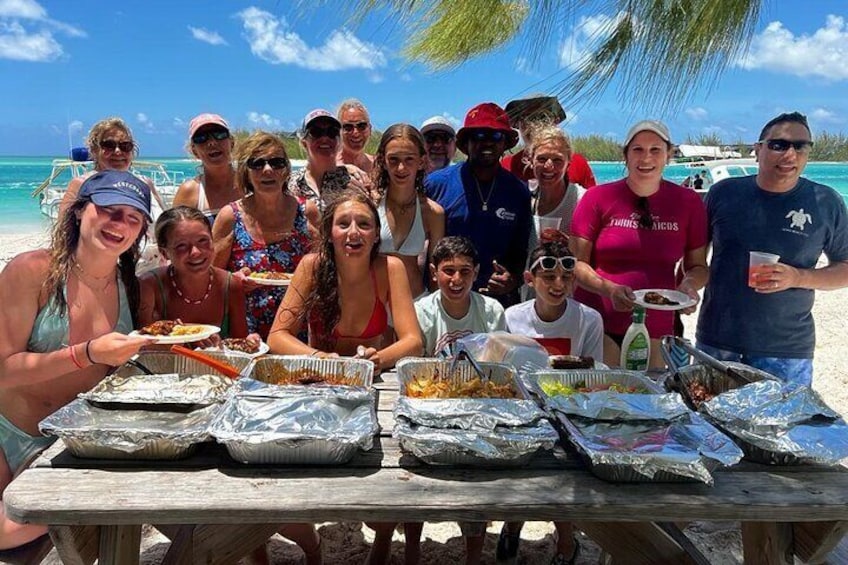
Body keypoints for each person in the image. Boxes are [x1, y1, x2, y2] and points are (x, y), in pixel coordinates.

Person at [0, 170, 153, 549]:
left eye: (133, 218)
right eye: (109, 210)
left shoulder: (129, 283)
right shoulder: (33, 270)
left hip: (67, 447)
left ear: (140, 233)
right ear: (80, 211)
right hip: (7, 433)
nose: (120, 224)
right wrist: (86, 354)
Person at [696, 112, 848, 387]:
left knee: (781, 430)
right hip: (717, 341)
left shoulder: (826, 202)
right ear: (758, 150)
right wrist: (685, 285)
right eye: (778, 144)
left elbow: (845, 269)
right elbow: (695, 258)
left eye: (800, 146)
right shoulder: (723, 194)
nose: (790, 153)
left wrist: (797, 277)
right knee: (706, 426)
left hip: (786, 350)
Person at [570, 120, 709, 368]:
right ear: (626, 155)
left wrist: (687, 287)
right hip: (598, 321)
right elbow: (576, 264)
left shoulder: (688, 202)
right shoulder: (597, 197)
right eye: (638, 149)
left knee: (648, 399)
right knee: (601, 397)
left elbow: (698, 266)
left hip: (657, 324)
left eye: (655, 149)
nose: (646, 157)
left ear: (668, 155)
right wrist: (609, 289)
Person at [499, 237, 602, 565]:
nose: (558, 285)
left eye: (566, 278)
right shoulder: (512, 317)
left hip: (570, 409)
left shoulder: (589, 319)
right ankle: (514, 521)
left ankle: (566, 538)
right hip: (524, 409)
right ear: (530, 280)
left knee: (567, 470)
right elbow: (505, 374)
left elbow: (593, 376)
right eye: (548, 277)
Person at [267, 188, 422, 365]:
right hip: (319, 376)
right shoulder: (311, 267)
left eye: (364, 224)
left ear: (377, 234)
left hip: (371, 376)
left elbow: (413, 342)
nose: (354, 232)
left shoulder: (390, 268)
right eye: (343, 224)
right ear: (329, 234)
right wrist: (320, 358)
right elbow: (277, 337)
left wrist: (376, 360)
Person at [425, 102, 531, 308]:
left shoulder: (518, 192)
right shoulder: (435, 185)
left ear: (504, 144)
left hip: (497, 303)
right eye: (479, 136)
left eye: (496, 136)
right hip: (445, 300)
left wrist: (512, 278)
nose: (487, 143)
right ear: (466, 143)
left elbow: (520, 252)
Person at [212, 131, 314, 340]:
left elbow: (324, 269)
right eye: (257, 163)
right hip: (247, 331)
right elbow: (212, 276)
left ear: (286, 170)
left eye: (276, 162)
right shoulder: (230, 217)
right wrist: (235, 280)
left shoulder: (307, 212)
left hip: (298, 328)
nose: (268, 170)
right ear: (246, 171)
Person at [139, 206, 254, 342]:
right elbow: (143, 345)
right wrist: (189, 346)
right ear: (164, 253)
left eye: (203, 241)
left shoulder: (230, 285)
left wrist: (251, 342)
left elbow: (240, 344)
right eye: (181, 245)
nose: (195, 252)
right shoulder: (150, 286)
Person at [372, 124, 445, 298]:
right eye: (394, 159)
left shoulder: (433, 213)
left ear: (421, 161)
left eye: (409, 159)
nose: (401, 168)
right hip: (373, 305)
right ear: (382, 161)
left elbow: (436, 273)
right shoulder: (370, 205)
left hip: (417, 304)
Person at [522, 122, 586, 300]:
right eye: (541, 159)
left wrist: (569, 244)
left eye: (557, 160)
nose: (549, 166)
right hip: (529, 299)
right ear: (530, 159)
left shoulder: (581, 200)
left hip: (566, 298)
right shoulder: (524, 197)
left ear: (568, 163)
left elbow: (595, 259)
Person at [415, 236, 507, 356]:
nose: (457, 279)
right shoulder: (421, 312)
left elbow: (496, 362)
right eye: (449, 271)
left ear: (475, 272)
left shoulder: (492, 311)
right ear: (434, 272)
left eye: (465, 271)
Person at [59, 117, 166, 217]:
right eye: (109, 145)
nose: (118, 151)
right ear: (94, 150)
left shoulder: (145, 183)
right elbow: (63, 230)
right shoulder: (82, 184)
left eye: (125, 146)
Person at [502, 94, 596, 189]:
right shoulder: (507, 166)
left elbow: (593, 201)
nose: (534, 125)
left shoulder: (578, 163)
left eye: (543, 117)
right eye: (527, 118)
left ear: (555, 122)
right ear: (518, 124)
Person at [290, 109, 366, 213]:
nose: (325, 138)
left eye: (332, 132)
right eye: (316, 132)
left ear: (339, 142)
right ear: (304, 143)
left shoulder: (353, 181)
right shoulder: (291, 184)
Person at [172, 113, 241, 224]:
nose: (212, 142)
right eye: (201, 138)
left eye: (219, 134)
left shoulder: (251, 184)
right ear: (195, 151)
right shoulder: (189, 191)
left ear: (231, 143)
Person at [337, 98, 376, 173]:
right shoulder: (328, 167)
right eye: (348, 127)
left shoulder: (378, 166)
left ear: (370, 129)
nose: (355, 132)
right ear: (339, 131)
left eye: (362, 126)